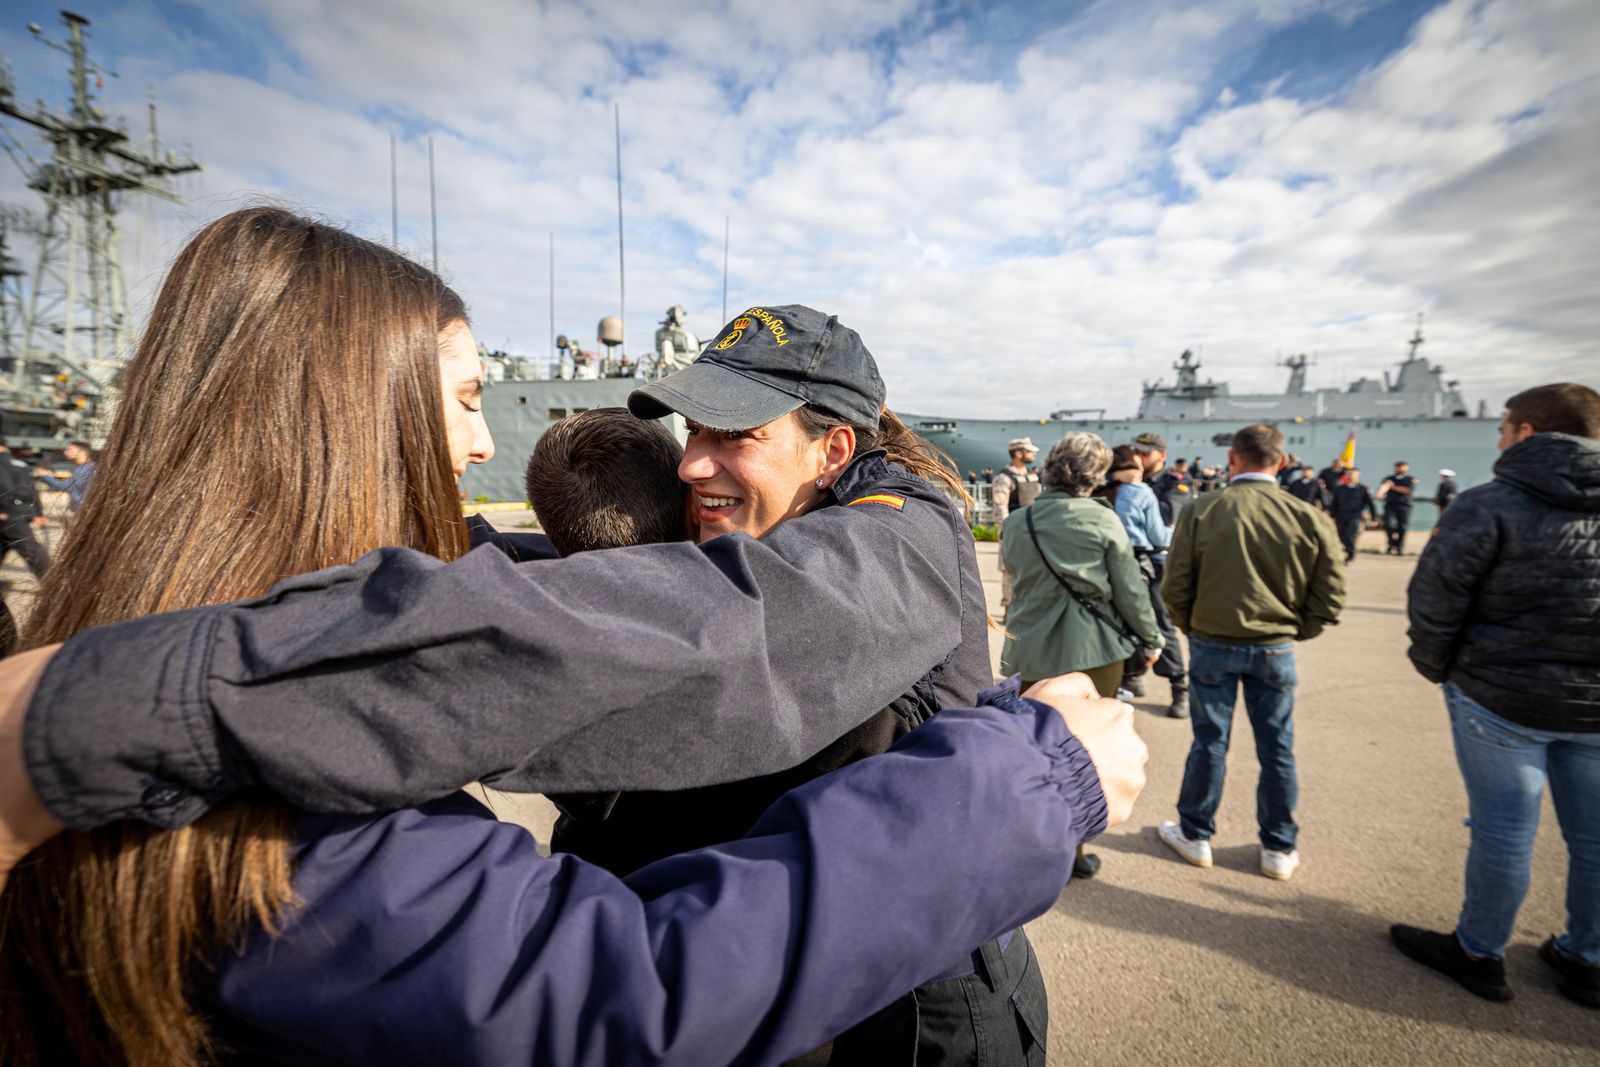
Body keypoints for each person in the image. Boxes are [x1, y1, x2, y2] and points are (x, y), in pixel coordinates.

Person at [0, 209, 1148, 1066]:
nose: (693, 459)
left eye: (736, 431)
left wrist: (150, 698)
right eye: (691, 427)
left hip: (909, 1009)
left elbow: (721, 634)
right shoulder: (737, 536)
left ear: (834, 449)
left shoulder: (899, 537)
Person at [1391, 383, 1600, 1008]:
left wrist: (1441, 669)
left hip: (1499, 695)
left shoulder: (1487, 503)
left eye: (1503, 427)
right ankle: (1587, 960)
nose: (1499, 437)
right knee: (1594, 839)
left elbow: (1435, 598)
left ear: (1528, 432)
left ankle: (1480, 952)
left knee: (1504, 830)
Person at [1158, 423, 1346, 881]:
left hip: (1211, 641)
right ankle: (1278, 846)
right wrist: (1295, 630)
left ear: (1232, 459)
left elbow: (1174, 586)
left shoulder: (1203, 509)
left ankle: (1195, 834)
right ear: (1282, 461)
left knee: (1209, 742)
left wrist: (1194, 627)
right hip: (1274, 645)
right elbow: (1331, 595)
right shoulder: (1308, 516)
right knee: (1278, 747)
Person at [1002, 432, 1162, 882]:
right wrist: (1151, 639)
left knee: (1023, 747)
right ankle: (1071, 852)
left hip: (1029, 647)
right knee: (1085, 756)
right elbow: (1130, 591)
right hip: (1094, 650)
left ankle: (1017, 840)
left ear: (1051, 470)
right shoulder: (1104, 520)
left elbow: (1016, 580)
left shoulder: (1019, 522)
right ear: (1095, 476)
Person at [1102, 445, 1187, 718]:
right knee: (1160, 624)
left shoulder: (1098, 492)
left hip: (1106, 564)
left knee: (1117, 623)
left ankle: (1130, 677)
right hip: (1142, 563)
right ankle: (1179, 686)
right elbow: (1158, 536)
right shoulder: (1142, 491)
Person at [991, 436, 1040, 620]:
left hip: (1033, 531)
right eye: (1029, 451)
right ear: (1018, 453)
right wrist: (1008, 531)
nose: (1034, 454)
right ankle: (1009, 609)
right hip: (1014, 532)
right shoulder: (1004, 478)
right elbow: (1000, 508)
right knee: (1010, 572)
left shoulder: (1032, 477)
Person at [0, 443, 49, 579]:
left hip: (7, 513)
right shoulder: (20, 463)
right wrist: (38, 513)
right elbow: (33, 489)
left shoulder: (2, 463)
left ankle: (52, 583)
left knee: (30, 550)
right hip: (22, 509)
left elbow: (4, 487)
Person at [1328, 467, 1377, 563]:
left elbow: (1371, 504)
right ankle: (1347, 550)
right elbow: (1334, 504)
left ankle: (1350, 554)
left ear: (1358, 475)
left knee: (1350, 535)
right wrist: (1332, 516)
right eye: (1348, 474)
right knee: (1341, 535)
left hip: (1355, 516)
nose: (1350, 476)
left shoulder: (1363, 489)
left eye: (1353, 474)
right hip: (1341, 516)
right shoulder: (1339, 489)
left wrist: (1374, 518)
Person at [34, 440, 95, 517]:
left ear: (82, 452)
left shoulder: (87, 469)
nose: (65, 452)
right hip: (80, 510)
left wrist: (45, 475)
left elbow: (66, 486)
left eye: (70, 450)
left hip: (85, 511)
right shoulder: (78, 468)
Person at [1376, 460, 1417, 555]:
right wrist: (1380, 493)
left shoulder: (1410, 479)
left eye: (1403, 466)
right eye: (1398, 466)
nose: (1400, 468)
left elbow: (1407, 490)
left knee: (1403, 527)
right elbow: (1384, 486)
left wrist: (1392, 487)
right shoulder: (1389, 478)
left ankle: (1400, 547)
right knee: (1389, 525)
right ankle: (1392, 544)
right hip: (1390, 505)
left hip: (1405, 506)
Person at [1150, 456, 1192, 524]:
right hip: (1168, 503)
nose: (1184, 468)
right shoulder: (1167, 475)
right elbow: (1158, 488)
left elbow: (1190, 490)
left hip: (1184, 502)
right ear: (1177, 466)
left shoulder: (1188, 477)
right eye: (1182, 466)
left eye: (1185, 466)